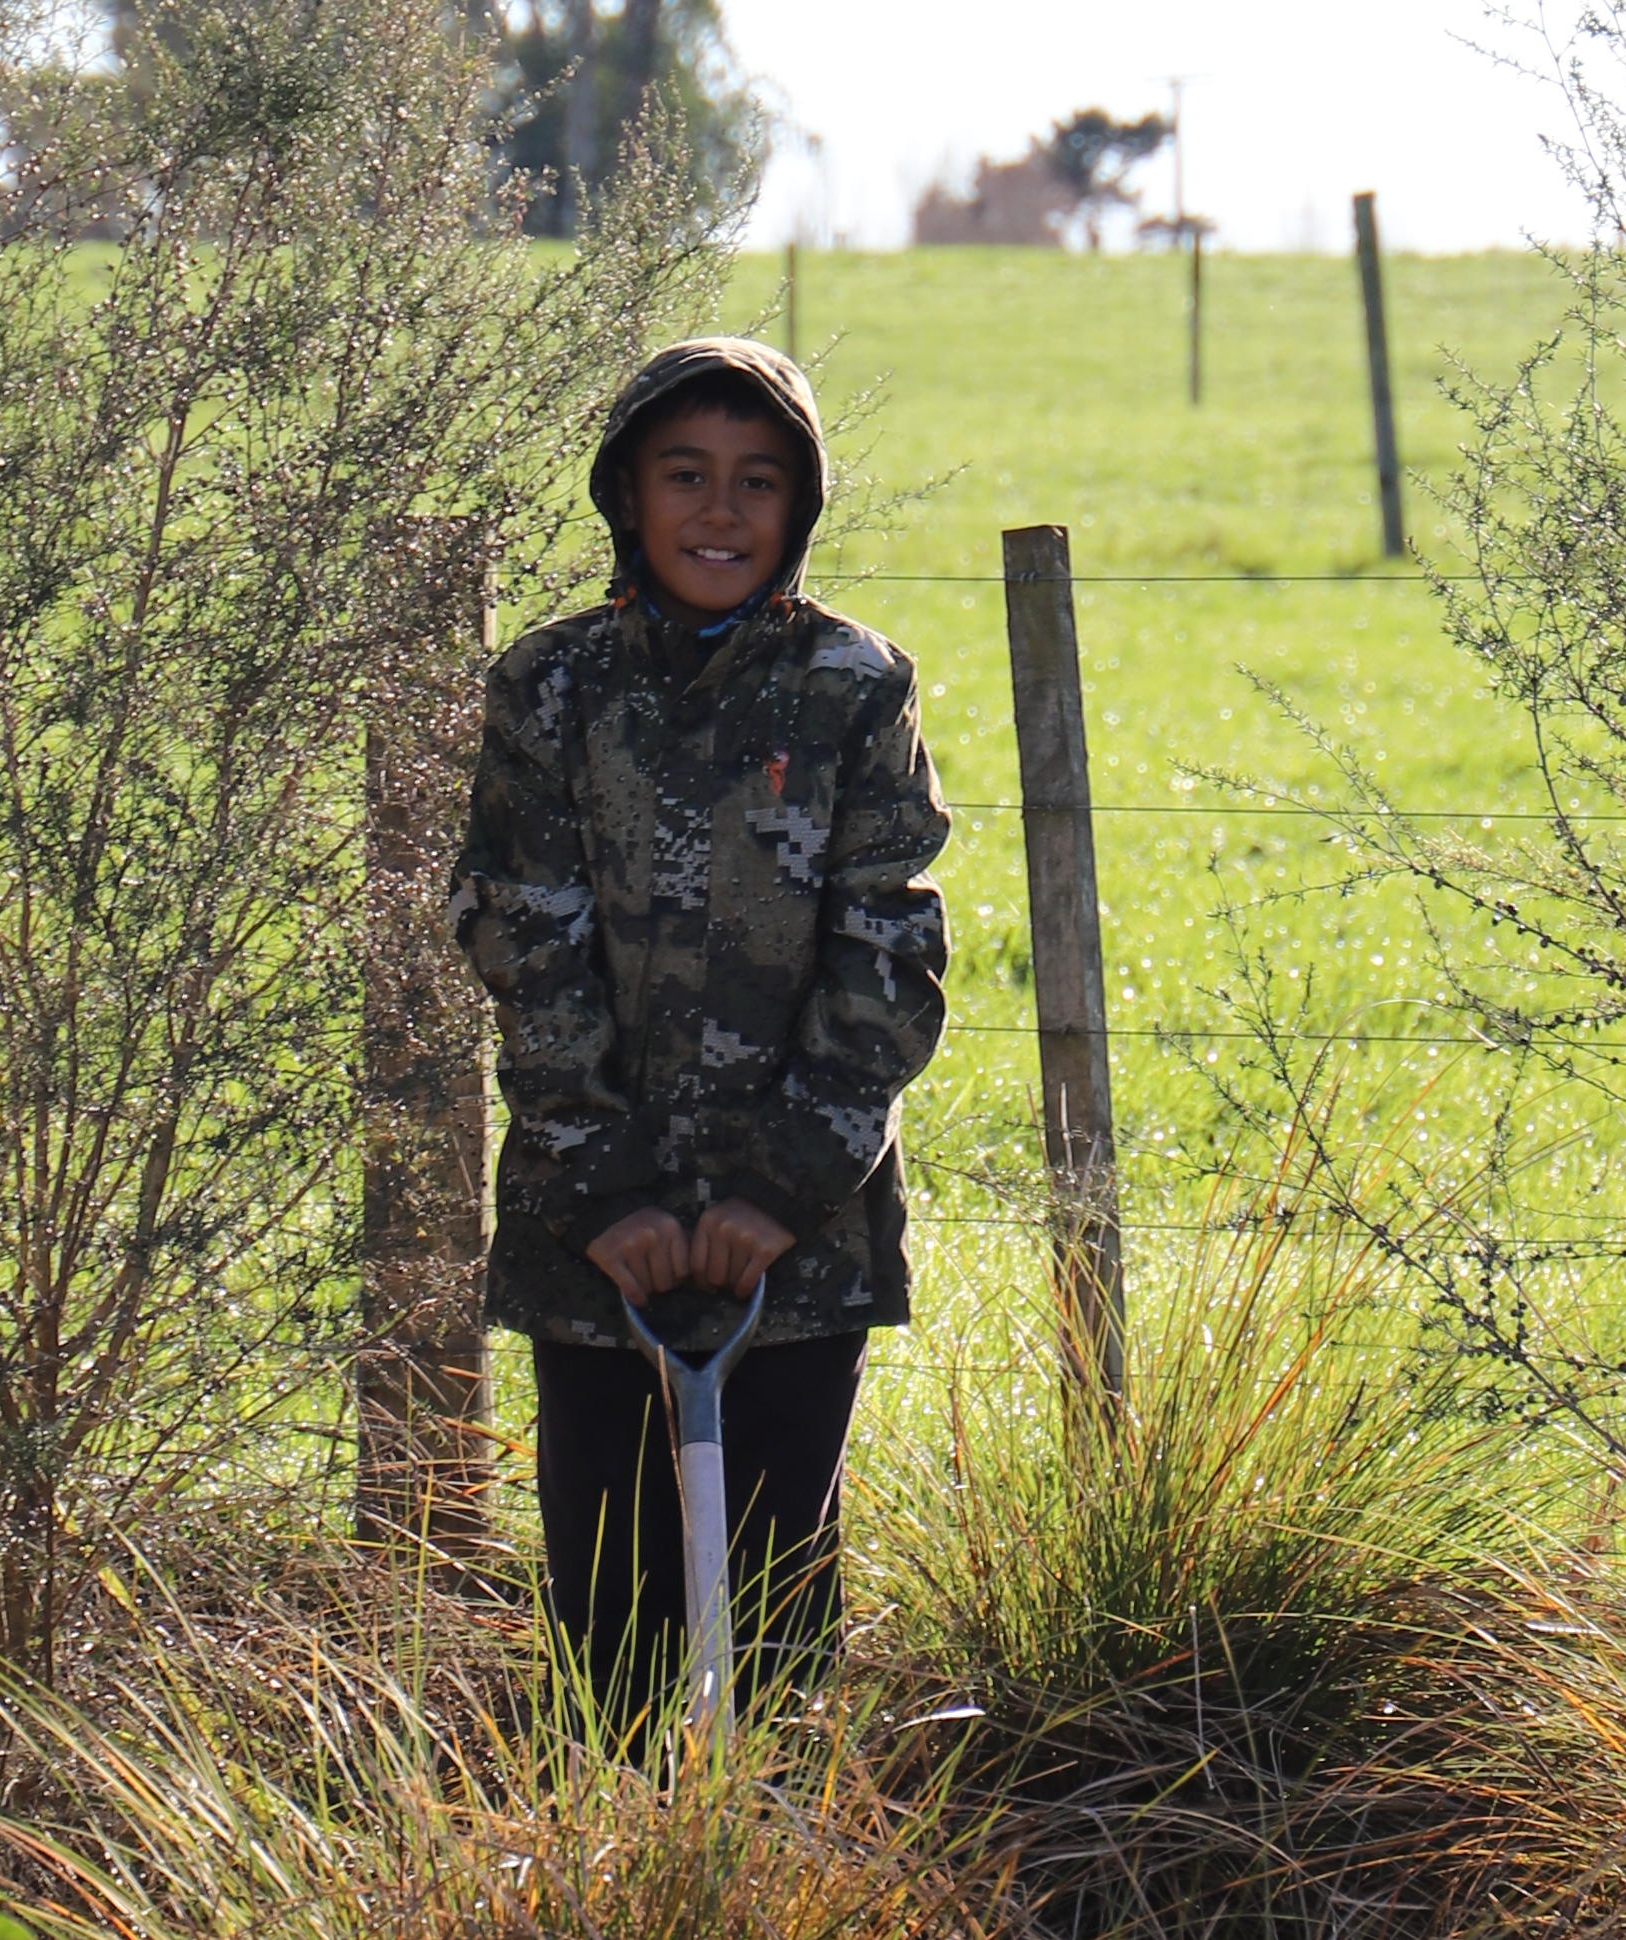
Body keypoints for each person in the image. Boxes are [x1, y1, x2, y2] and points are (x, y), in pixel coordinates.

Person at [453, 338, 949, 1733]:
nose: (720, 513)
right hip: (588, 1230)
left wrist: (781, 1193)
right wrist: (602, 1189)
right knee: (606, 1608)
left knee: (777, 1603)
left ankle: (767, 1856)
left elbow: (890, 948)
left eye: (757, 481)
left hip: (797, 1239)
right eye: (685, 477)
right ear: (625, 493)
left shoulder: (853, 687)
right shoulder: (549, 691)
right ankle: (608, 1862)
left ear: (799, 507)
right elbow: (520, 936)